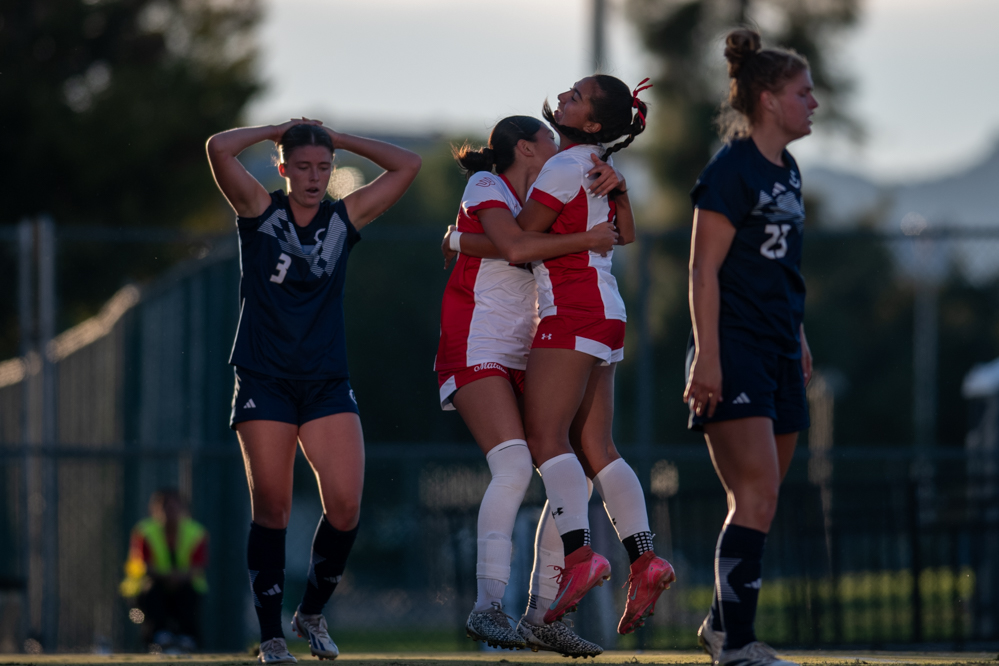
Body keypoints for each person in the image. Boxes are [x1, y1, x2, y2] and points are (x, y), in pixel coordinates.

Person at [206, 118, 420, 663]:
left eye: (323, 168)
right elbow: (219, 149)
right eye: (301, 166)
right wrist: (278, 128)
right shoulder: (259, 211)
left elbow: (408, 165)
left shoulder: (342, 219)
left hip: (326, 381)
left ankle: (312, 612)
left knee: (346, 504)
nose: (313, 177)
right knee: (273, 508)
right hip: (264, 378)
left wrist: (341, 139)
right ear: (282, 168)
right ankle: (271, 637)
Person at [436, 115, 620, 658]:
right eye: (548, 139)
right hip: (477, 343)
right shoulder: (486, 184)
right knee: (515, 466)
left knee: (574, 471)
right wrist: (581, 238)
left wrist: (460, 239)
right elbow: (517, 247)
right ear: (525, 148)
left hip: (529, 348)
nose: (559, 146)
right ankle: (486, 606)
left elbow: (544, 243)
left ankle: (544, 614)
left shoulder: (556, 188)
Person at [514, 75, 675, 635]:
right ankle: (646, 559)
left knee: (545, 438)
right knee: (595, 444)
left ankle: (581, 559)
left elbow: (520, 240)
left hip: (574, 308)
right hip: (604, 308)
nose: (564, 96)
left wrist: (462, 234)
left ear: (593, 124)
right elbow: (624, 234)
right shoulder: (589, 164)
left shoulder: (564, 165)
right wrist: (621, 191)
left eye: (577, 97)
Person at [683, 27, 816, 666]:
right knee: (757, 493)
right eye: (802, 92)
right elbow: (702, 270)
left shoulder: (786, 169)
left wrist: (798, 333)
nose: (812, 103)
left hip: (778, 352)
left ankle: (719, 624)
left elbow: (778, 265)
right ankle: (737, 645)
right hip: (731, 349)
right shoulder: (730, 170)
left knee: (760, 501)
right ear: (767, 99)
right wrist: (707, 356)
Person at [120, 489, 208, 652]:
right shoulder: (144, 532)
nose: (170, 512)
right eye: (166, 507)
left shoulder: (196, 533)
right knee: (148, 598)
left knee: (188, 595)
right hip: (145, 592)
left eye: (175, 507)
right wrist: (169, 577)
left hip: (185, 589)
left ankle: (187, 638)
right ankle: (157, 638)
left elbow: (198, 567)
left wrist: (177, 578)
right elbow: (144, 565)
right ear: (155, 510)